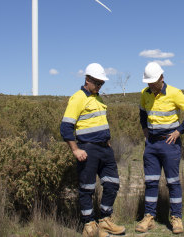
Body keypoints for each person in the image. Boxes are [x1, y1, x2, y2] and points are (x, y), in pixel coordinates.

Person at [60, 63, 125, 237]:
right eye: (97, 83)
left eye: (102, 83)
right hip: (87, 149)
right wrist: (75, 149)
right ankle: (89, 225)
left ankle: (104, 221)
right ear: (87, 79)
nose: (99, 86)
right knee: (87, 188)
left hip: (105, 149)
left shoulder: (98, 98)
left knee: (112, 184)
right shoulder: (78, 98)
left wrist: (107, 140)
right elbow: (66, 127)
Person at [135, 62, 184, 234]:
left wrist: (179, 132)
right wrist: (145, 129)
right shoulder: (144, 94)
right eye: (148, 82)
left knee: (173, 182)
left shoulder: (175, 93)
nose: (150, 85)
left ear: (161, 78)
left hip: (170, 144)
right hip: (151, 145)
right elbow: (142, 112)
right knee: (151, 181)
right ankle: (149, 217)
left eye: (153, 82)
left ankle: (176, 218)